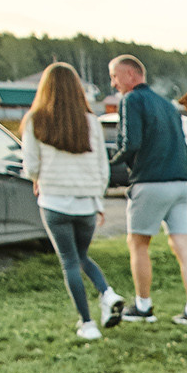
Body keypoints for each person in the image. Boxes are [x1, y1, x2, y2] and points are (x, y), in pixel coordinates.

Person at [18, 64, 124, 342]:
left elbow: (30, 166)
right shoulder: (91, 122)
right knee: (81, 255)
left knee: (69, 261)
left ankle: (87, 323)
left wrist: (37, 177)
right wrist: (98, 201)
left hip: (54, 201)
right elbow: (103, 167)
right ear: (77, 88)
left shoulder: (35, 120)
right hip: (87, 203)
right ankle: (107, 293)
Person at [106, 55, 187, 328]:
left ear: (130, 75)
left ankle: (143, 306)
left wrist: (112, 161)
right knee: (182, 245)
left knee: (138, 244)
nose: (113, 83)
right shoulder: (168, 105)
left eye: (115, 76)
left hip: (150, 182)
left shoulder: (131, 100)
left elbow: (130, 142)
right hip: (181, 183)